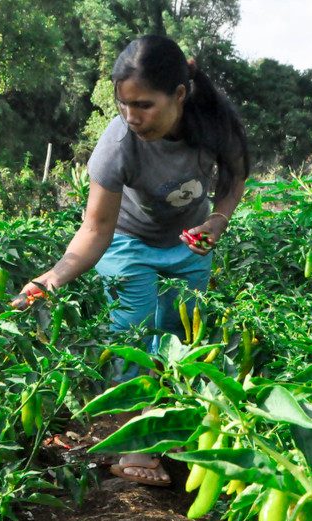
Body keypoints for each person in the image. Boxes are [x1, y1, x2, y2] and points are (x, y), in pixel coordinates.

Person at [15, 34, 250, 486]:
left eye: (143, 105)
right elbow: (96, 228)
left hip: (188, 245)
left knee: (180, 340)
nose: (131, 116)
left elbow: (235, 178)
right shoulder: (118, 144)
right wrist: (51, 278)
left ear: (179, 95)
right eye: (123, 105)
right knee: (132, 336)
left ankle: (169, 433)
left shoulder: (214, 122)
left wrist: (217, 222)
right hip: (126, 242)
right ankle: (132, 448)